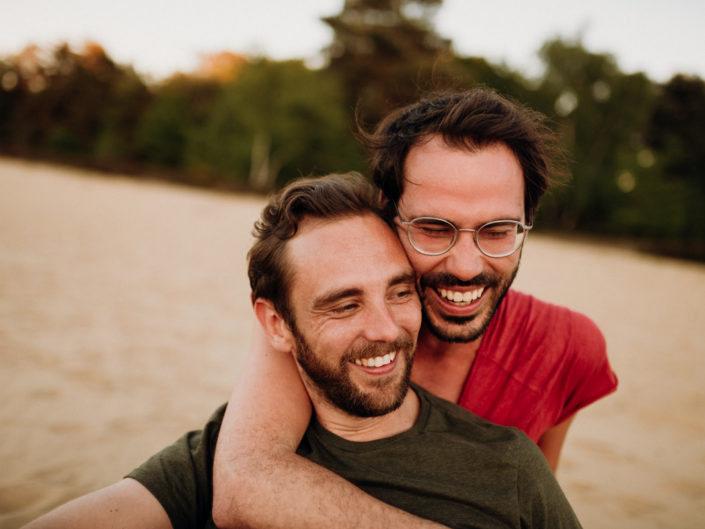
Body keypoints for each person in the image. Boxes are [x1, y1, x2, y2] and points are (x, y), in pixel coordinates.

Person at [21, 173, 582, 529]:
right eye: (344, 305)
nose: (385, 329)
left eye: (399, 291)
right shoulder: (225, 452)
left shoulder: (508, 469)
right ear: (275, 323)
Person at [211, 89, 618, 528]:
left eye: (498, 230)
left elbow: (528, 505)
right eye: (432, 228)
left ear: (527, 223)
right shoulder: (325, 328)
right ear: (389, 215)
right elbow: (246, 479)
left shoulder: (568, 348)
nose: (466, 267)